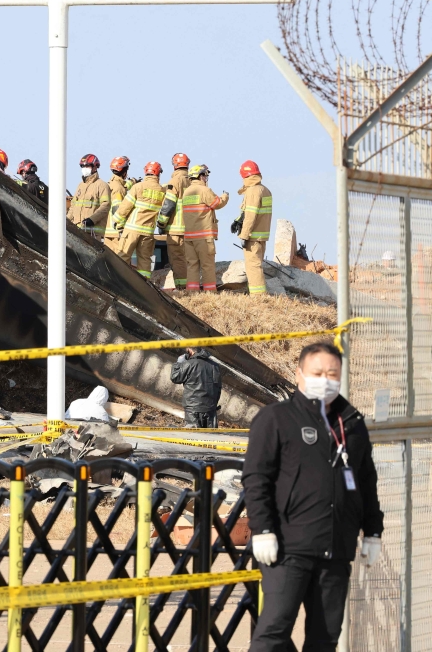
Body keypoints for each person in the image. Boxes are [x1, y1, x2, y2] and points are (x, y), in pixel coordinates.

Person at [243, 342, 383, 652]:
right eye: (317, 373)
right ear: (299, 374)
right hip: (288, 547)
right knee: (273, 633)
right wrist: (262, 529)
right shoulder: (276, 418)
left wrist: (373, 530)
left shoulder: (353, 424)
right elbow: (256, 478)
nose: (325, 379)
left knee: (325, 638)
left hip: (336, 549)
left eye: (332, 373)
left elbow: (366, 481)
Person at [111, 161, 168, 279]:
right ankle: (144, 285)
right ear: (158, 173)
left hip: (132, 229)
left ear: (146, 172)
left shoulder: (138, 187)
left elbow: (125, 206)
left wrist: (116, 220)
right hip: (148, 232)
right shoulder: (162, 191)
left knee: (123, 256)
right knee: (145, 260)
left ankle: (118, 281)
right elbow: (164, 210)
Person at [181, 164, 229, 291]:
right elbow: (217, 204)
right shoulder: (205, 190)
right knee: (207, 265)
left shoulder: (186, 192)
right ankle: (210, 293)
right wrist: (225, 196)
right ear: (200, 176)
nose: (206, 178)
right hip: (203, 236)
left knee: (192, 265)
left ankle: (192, 292)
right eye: (205, 175)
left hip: (189, 236)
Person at [235, 160, 273, 296]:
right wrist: (238, 220)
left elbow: (251, 216)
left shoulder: (253, 191)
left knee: (253, 266)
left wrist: (244, 235)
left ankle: (258, 296)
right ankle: (257, 293)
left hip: (252, 236)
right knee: (257, 265)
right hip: (262, 235)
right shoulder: (265, 190)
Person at [158, 152, 191, 290]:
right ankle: (191, 286)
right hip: (191, 228)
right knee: (189, 259)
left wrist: (161, 223)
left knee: (177, 259)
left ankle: (182, 288)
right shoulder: (192, 181)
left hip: (176, 230)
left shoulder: (175, 181)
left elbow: (169, 205)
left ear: (174, 165)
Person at [169, 347, 221, 428]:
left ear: (190, 351)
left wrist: (178, 363)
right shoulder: (215, 366)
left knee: (193, 433)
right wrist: (214, 405)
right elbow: (218, 387)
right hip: (210, 408)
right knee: (210, 434)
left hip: (193, 408)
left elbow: (175, 377)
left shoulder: (189, 364)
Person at [66, 154, 112, 239]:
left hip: (92, 234)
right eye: (82, 166)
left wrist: (92, 219)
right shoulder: (80, 186)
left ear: (95, 167)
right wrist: (66, 221)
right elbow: (73, 206)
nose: (84, 168)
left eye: (87, 166)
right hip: (77, 231)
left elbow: (105, 206)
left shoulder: (102, 185)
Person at [106, 156, 131, 252]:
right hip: (116, 232)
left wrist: (131, 183)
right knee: (119, 257)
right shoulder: (118, 188)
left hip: (108, 231)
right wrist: (121, 227)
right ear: (124, 171)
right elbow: (117, 208)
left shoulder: (111, 183)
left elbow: (122, 187)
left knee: (109, 258)